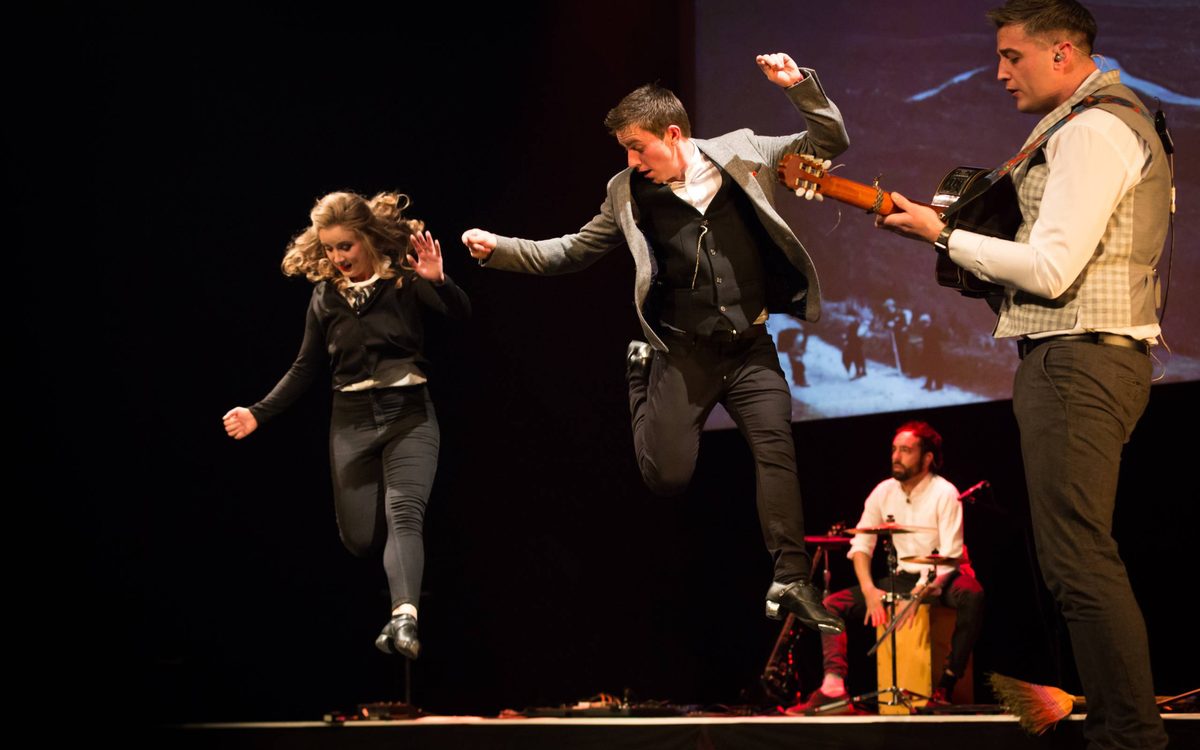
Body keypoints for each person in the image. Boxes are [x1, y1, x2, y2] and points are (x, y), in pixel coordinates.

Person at [461, 53, 849, 635]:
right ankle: (637, 374)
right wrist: (502, 248)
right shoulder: (627, 192)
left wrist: (799, 87)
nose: (631, 160)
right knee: (666, 477)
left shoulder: (744, 150)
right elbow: (570, 250)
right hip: (679, 352)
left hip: (749, 348)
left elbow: (829, 141)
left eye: (637, 146)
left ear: (673, 134)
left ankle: (791, 578)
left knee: (776, 452)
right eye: (625, 149)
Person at [878, 2, 1169, 746]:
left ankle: (1130, 737)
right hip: (1078, 358)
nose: (1000, 72)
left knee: (1078, 559)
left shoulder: (1094, 127)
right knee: (1072, 559)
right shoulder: (1093, 122)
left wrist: (945, 232)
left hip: (1079, 360)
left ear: (1063, 52)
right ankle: (1119, 728)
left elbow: (1050, 267)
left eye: (1013, 56)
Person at [222, 191, 470, 660]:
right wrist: (259, 412)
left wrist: (439, 282)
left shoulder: (402, 281)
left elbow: (461, 315)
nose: (337, 258)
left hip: (408, 415)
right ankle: (397, 585)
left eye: (346, 247)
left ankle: (404, 618)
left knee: (405, 514)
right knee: (360, 540)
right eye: (330, 248)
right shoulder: (325, 297)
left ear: (367, 238)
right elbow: (304, 367)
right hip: (351, 422)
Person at [787, 422, 984, 714]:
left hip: (944, 576)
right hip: (904, 576)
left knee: (974, 595)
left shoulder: (945, 492)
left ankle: (946, 685)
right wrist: (869, 590)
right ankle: (833, 685)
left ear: (927, 457)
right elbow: (861, 546)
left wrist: (924, 588)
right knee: (830, 604)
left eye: (906, 450)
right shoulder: (883, 491)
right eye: (894, 449)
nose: (896, 456)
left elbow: (951, 555)